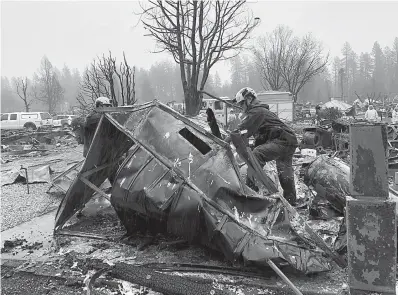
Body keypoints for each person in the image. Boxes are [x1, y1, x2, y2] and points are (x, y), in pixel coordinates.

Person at [225, 87, 298, 205]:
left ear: (249, 99)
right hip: (289, 140)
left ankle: (250, 193)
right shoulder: (262, 113)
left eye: (242, 104)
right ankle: (291, 201)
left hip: (282, 140)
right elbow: (262, 136)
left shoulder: (257, 111)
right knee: (284, 172)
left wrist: (225, 141)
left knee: (257, 155)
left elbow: (241, 130)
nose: (242, 107)